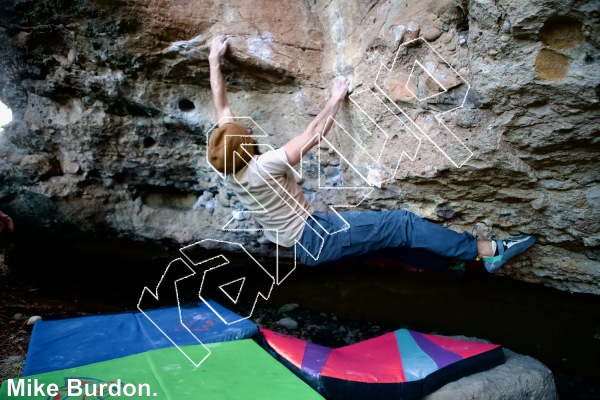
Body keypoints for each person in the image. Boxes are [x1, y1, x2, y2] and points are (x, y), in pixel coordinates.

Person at [207, 35, 536, 273]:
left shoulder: (229, 165)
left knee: (389, 242)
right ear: (248, 146)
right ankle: (487, 252)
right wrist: (336, 97)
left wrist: (214, 59)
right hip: (318, 236)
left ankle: (452, 264)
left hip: (304, 246)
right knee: (401, 224)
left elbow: (222, 107)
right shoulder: (264, 166)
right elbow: (314, 134)